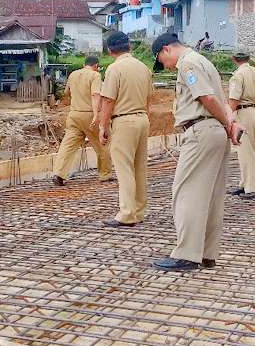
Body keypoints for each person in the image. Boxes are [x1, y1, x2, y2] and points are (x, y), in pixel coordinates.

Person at [149, 34, 243, 271]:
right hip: (213, 131)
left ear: (166, 49)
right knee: (211, 196)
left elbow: (208, 98)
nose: (166, 67)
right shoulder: (204, 61)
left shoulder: (188, 63)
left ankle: (187, 254)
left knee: (186, 193)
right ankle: (206, 253)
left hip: (201, 130)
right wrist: (228, 124)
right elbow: (217, 98)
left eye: (162, 60)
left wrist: (226, 124)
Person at [98, 31, 153, 228]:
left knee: (124, 168)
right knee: (140, 167)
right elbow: (148, 99)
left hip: (124, 121)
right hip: (142, 119)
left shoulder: (115, 69)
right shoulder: (143, 68)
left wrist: (103, 126)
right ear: (129, 45)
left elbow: (108, 100)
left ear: (110, 49)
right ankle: (138, 210)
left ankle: (127, 213)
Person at [52, 56, 114, 186]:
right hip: (89, 115)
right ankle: (105, 174)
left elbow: (66, 92)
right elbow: (95, 94)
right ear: (96, 66)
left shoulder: (73, 74)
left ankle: (58, 173)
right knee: (103, 144)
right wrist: (96, 114)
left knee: (67, 146)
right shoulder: (95, 76)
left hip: (74, 115)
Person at [228, 51, 255, 199]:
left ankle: (253, 188)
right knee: (247, 150)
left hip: (243, 114)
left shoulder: (238, 76)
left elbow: (234, 98)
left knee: (246, 152)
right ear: (248, 59)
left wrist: (229, 117)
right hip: (254, 112)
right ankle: (244, 184)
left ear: (234, 59)